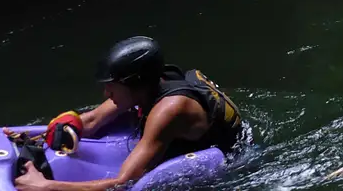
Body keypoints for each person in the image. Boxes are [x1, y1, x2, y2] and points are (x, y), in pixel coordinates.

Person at [14, 36, 245, 191]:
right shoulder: (146, 84)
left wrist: (46, 186)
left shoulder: (169, 111)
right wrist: (31, 135)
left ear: (134, 84)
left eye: (112, 86)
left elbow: (123, 183)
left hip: (232, 158)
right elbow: (92, 120)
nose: (106, 92)